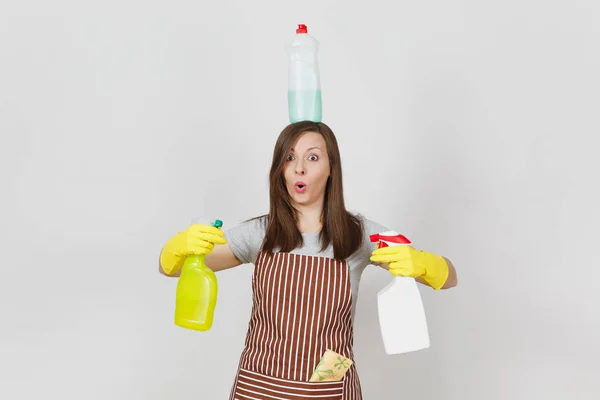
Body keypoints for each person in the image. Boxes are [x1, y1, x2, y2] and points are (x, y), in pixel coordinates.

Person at [158, 121, 458, 400]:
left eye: (312, 158)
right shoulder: (261, 233)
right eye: (289, 158)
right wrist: (178, 250)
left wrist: (422, 264)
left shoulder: (358, 234)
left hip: (326, 386)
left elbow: (450, 278)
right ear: (280, 169)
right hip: (260, 384)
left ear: (331, 169)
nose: (299, 168)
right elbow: (177, 270)